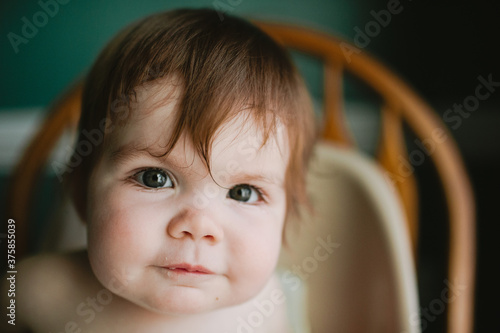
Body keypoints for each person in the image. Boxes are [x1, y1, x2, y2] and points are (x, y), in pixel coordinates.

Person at [2, 8, 316, 332]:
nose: (199, 226)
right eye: (155, 178)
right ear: (81, 190)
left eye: (243, 192)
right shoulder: (34, 292)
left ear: (286, 216)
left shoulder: (267, 308)